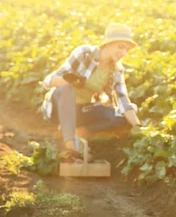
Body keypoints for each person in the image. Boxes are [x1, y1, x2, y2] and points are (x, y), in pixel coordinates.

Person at [40, 22, 142, 161]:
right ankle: (70, 145)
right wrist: (72, 81)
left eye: (127, 50)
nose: (123, 53)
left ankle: (79, 133)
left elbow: (124, 101)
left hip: (81, 112)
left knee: (118, 117)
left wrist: (139, 128)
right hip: (59, 108)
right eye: (121, 47)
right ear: (108, 44)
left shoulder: (117, 70)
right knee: (67, 89)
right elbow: (49, 81)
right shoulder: (84, 53)